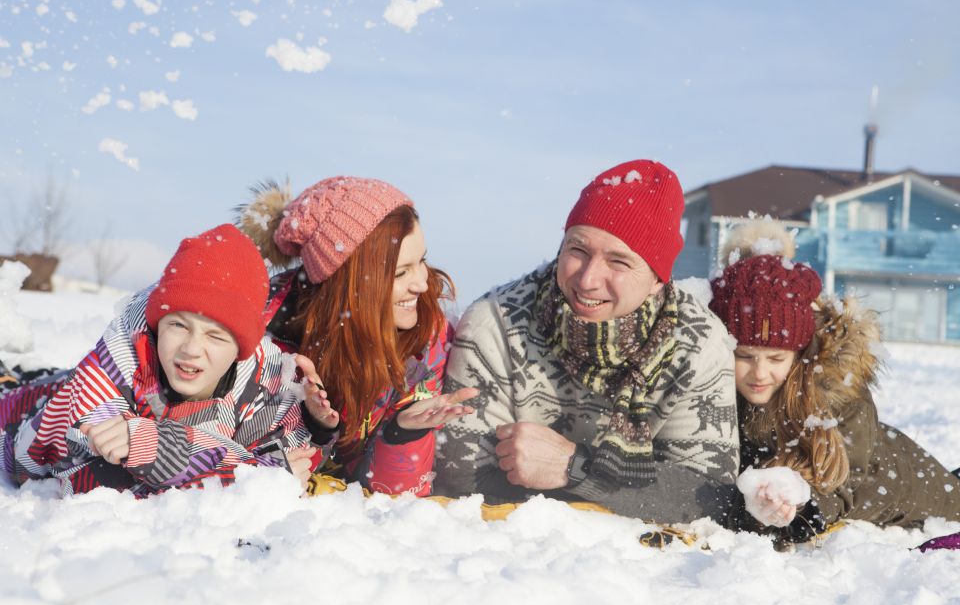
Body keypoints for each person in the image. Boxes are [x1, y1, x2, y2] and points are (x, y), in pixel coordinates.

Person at [433, 160, 740, 523]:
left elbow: (711, 500)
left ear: (658, 279)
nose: (589, 279)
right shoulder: (495, 323)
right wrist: (635, 496)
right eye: (577, 250)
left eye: (618, 262)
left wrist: (577, 469)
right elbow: (462, 483)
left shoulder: (698, 343)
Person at [0, 224, 320, 496]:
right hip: (31, 414)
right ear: (157, 325)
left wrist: (156, 448)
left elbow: (289, 469)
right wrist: (244, 472)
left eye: (216, 336)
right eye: (178, 325)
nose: (191, 349)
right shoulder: (112, 370)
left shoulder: (267, 382)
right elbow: (72, 481)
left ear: (241, 349)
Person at [709, 221, 960, 544]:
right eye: (744, 356)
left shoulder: (835, 389)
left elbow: (851, 479)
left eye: (776, 359)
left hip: (902, 482)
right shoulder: (714, 384)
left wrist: (805, 508)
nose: (759, 373)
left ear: (799, 355)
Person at [238, 176, 477, 497]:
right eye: (401, 272)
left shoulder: (424, 334)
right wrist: (316, 428)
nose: (422, 283)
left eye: (421, 260)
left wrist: (401, 435)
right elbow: (236, 469)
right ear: (348, 284)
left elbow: (390, 500)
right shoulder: (262, 337)